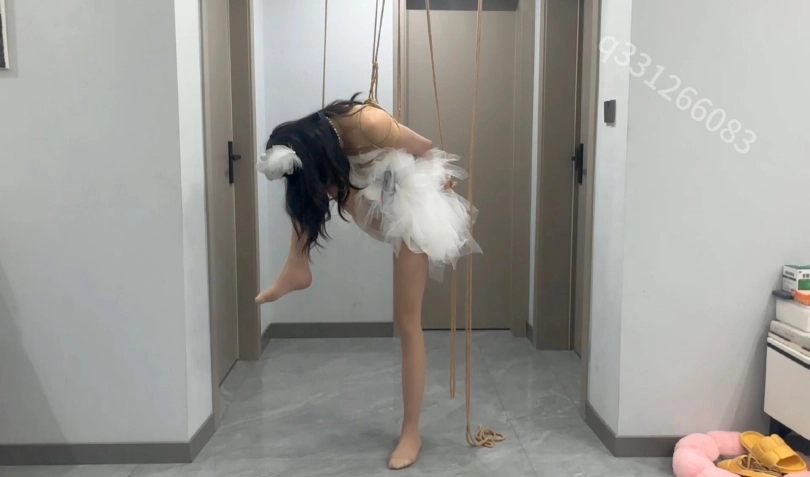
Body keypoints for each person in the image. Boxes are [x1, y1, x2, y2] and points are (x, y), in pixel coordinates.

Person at [254, 93, 480, 470]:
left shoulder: (368, 124)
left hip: (411, 206)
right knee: (305, 192)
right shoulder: (326, 136)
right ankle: (297, 264)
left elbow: (424, 147)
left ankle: (411, 431)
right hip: (373, 196)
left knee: (407, 322)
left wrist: (439, 179)